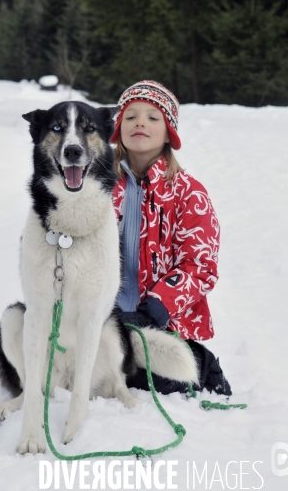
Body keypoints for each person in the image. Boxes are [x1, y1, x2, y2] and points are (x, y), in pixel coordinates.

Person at [110, 80, 232, 396]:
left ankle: (200, 364)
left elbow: (200, 265)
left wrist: (159, 304)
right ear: (119, 128)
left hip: (157, 319)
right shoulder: (98, 186)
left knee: (150, 378)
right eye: (131, 115)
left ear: (169, 133)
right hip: (102, 314)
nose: (140, 122)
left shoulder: (188, 193)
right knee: (90, 374)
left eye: (153, 117)